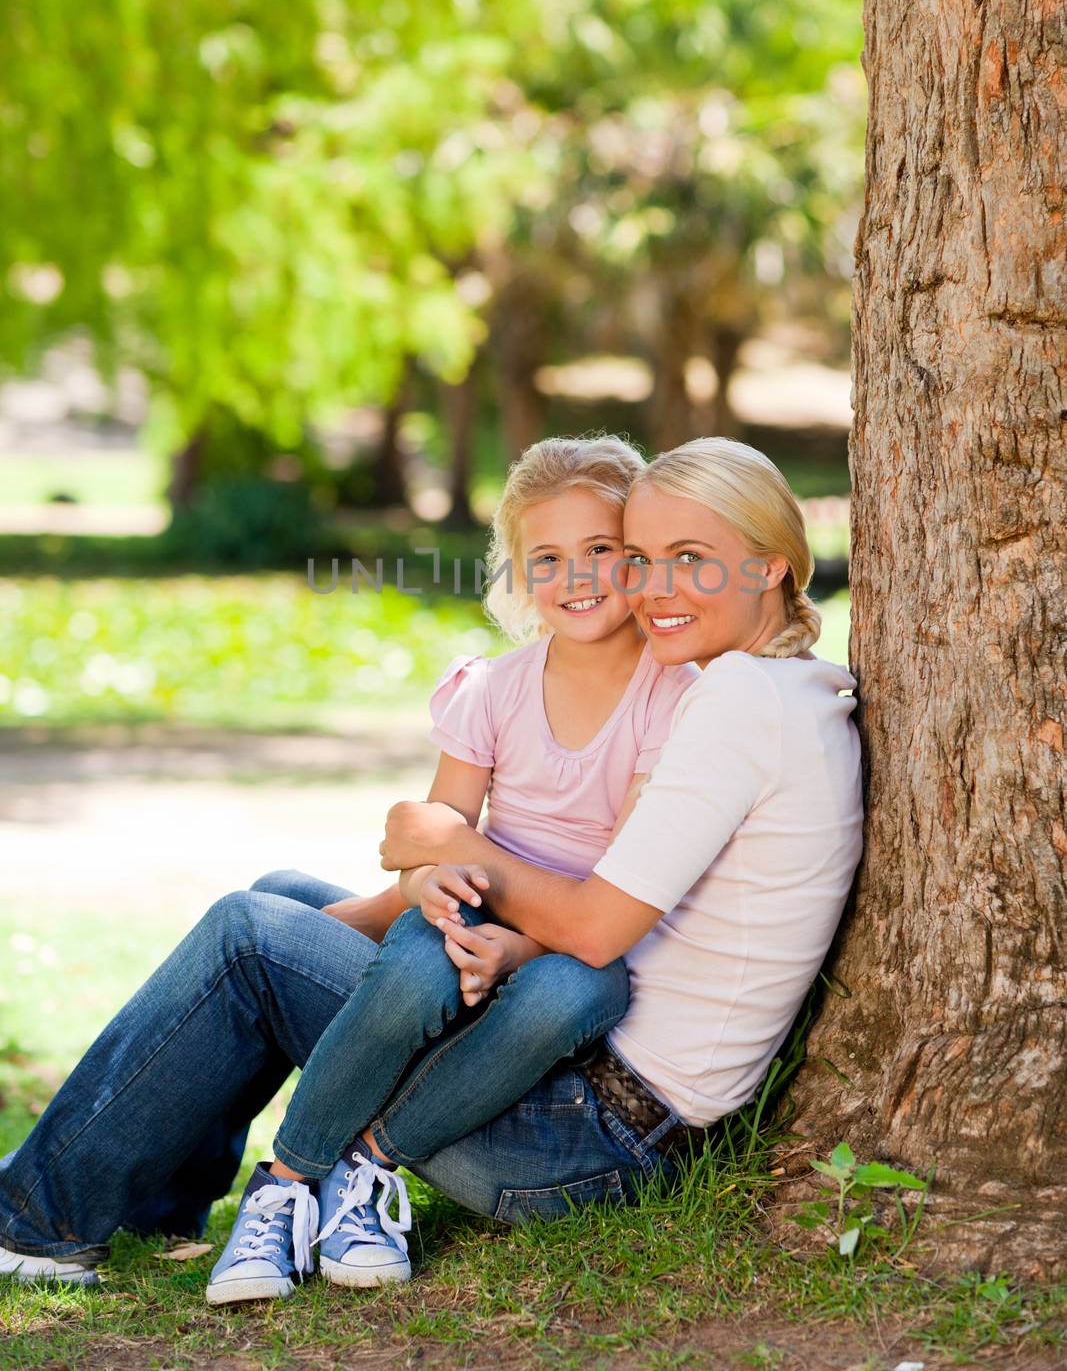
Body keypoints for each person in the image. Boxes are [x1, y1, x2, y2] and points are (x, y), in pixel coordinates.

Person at [0, 437, 863, 1313]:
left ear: (772, 568)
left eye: (690, 561)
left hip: (585, 1131)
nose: (654, 587)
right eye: (645, 558)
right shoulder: (786, 689)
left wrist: (450, 844)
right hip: (589, 1083)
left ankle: (32, 1223)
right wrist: (405, 890)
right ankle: (153, 1201)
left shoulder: (726, 703)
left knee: (246, 935)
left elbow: (595, 928)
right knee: (283, 901)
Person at [206, 434, 699, 1300]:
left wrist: (517, 950)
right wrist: (429, 888)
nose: (578, 576)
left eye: (602, 551)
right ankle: (283, 1186)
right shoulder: (491, 689)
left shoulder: (670, 697)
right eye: (548, 557)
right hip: (470, 909)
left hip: (578, 938)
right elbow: (442, 833)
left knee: (582, 988)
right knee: (415, 959)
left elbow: (616, 898)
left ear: (639, 557)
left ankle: (365, 1169)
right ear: (517, 571)